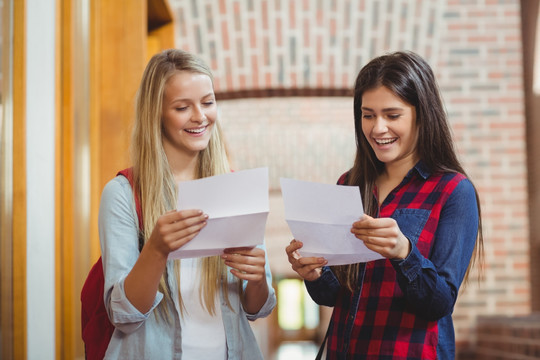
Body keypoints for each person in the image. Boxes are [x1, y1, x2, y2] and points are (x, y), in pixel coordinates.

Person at [286, 51, 483, 360]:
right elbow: (337, 295)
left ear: (422, 115)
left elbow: (440, 303)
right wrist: (314, 273)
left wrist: (404, 253)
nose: (378, 129)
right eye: (368, 115)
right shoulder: (350, 183)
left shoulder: (453, 191)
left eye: (392, 115)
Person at [98, 48, 276, 359]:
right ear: (157, 113)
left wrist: (258, 277)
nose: (200, 116)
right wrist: (156, 249)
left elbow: (256, 309)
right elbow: (123, 315)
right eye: (183, 107)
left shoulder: (235, 188)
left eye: (208, 103)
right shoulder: (123, 194)